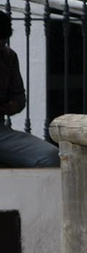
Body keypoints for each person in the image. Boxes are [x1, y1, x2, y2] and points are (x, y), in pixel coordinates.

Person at [0, 10, 59, 168]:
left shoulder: (8, 57)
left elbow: (19, 96)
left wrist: (10, 106)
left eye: (2, 43)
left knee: (52, 157)